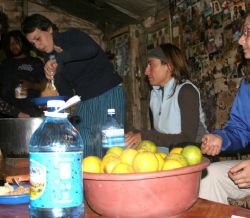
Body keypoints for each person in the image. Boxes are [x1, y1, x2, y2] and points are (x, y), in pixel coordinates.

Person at [21, 14, 125, 157]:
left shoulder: (71, 36)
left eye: (38, 38)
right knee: (83, 144)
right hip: (86, 99)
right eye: (33, 44)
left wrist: (59, 59)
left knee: (108, 148)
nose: (38, 46)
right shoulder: (48, 58)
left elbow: (91, 50)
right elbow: (67, 92)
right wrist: (53, 79)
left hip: (107, 91)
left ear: (49, 29)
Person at [199, 13, 250, 205]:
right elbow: (240, 127)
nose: (240, 40)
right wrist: (221, 138)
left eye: (248, 32)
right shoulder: (248, 85)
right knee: (210, 175)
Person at [126, 43, 207, 149]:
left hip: (197, 156)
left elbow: (187, 139)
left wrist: (145, 136)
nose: (146, 71)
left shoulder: (186, 91)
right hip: (170, 156)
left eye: (152, 65)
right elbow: (162, 134)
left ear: (169, 66)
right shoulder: (155, 94)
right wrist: (133, 134)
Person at [0, 30, 46, 117]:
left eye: (16, 42)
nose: (13, 46)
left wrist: (31, 85)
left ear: (23, 42)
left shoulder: (35, 62)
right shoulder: (4, 64)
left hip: (31, 112)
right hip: (9, 114)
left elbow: (45, 86)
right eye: (10, 44)